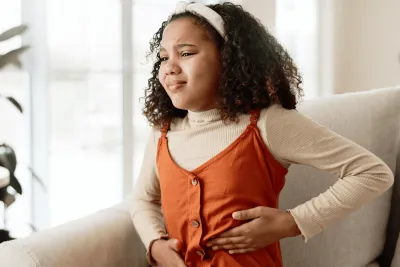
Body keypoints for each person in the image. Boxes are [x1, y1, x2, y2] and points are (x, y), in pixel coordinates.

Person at [130, 2, 394, 267]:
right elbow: (143, 199)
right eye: (164, 57)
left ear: (228, 58)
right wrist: (156, 244)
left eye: (186, 53)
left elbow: (372, 173)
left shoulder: (268, 124)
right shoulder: (163, 132)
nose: (170, 67)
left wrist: (292, 222)